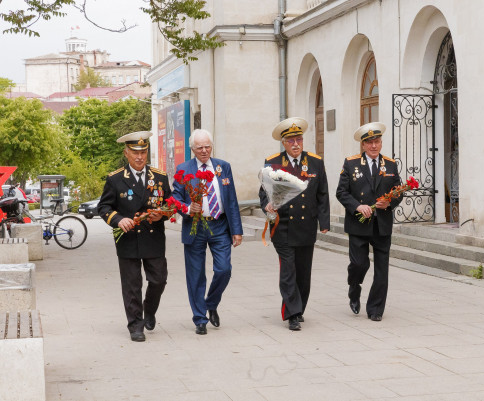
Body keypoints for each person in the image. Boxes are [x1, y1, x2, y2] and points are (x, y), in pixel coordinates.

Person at [98, 131, 172, 342]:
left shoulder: (159, 177)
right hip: (128, 238)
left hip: (153, 237)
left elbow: (170, 204)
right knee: (132, 284)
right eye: (135, 152)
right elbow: (103, 206)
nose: (139, 157)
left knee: (159, 280)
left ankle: (149, 310)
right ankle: (135, 325)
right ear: (126, 153)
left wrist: (162, 215)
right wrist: (118, 219)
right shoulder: (116, 178)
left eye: (143, 152)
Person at [258, 117, 330, 331]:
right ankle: (292, 313)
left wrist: (324, 221)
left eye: (299, 139)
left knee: (303, 272)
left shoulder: (315, 162)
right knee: (288, 270)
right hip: (283, 226)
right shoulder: (273, 163)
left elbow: (322, 193)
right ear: (284, 143)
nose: (296, 144)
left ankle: (299, 307)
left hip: (307, 225)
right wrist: (267, 205)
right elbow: (263, 192)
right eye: (291, 141)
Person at [172, 129, 243, 336]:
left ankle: (211, 303)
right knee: (196, 275)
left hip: (220, 225)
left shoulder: (223, 167)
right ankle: (200, 318)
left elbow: (231, 200)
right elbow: (175, 198)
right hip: (195, 226)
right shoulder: (184, 169)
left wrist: (236, 230)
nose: (204, 151)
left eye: (207, 146)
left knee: (224, 269)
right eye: (200, 147)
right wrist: (186, 208)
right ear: (192, 149)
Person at [336, 122, 402, 322]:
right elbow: (341, 192)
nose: (374, 146)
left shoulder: (390, 164)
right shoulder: (351, 163)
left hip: (381, 224)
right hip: (359, 224)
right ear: (363, 145)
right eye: (370, 142)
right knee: (359, 264)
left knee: (382, 270)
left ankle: (375, 309)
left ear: (381, 143)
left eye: (377, 141)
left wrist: (388, 203)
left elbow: (398, 192)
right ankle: (354, 287)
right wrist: (357, 206)